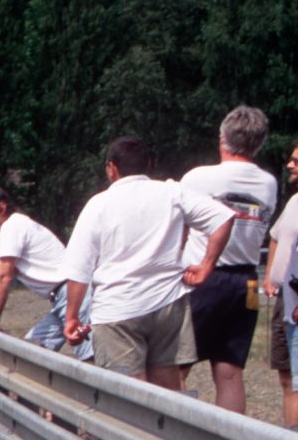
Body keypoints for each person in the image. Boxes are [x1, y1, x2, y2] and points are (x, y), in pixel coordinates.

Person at [60, 135, 236, 392]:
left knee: (128, 396)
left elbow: (79, 268)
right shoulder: (172, 192)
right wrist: (206, 266)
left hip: (118, 308)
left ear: (111, 168)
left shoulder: (98, 205)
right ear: (149, 164)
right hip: (167, 304)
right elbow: (223, 218)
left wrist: (71, 317)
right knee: (166, 392)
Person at [178, 106, 281, 415]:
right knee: (230, 371)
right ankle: (230, 439)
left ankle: (175, 434)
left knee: (176, 365)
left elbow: (180, 229)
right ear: (258, 143)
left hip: (203, 277)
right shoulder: (268, 183)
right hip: (246, 281)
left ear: (222, 137)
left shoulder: (198, 178)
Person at [0, 186, 77, 355]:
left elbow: (4, 278)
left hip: (73, 296)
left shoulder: (12, 226)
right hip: (63, 298)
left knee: (89, 359)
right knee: (30, 352)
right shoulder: (14, 226)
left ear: (1, 208)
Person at [264, 138, 298, 428]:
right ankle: (289, 439)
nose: (290, 165)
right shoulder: (295, 201)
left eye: (297, 162)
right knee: (287, 377)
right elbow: (276, 238)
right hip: (284, 301)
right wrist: (269, 276)